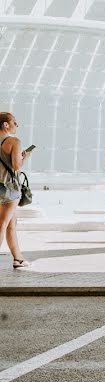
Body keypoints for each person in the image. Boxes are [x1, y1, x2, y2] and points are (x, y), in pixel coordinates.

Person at [0, 112, 31, 269]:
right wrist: (25, 156)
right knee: (3, 224)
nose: (16, 125)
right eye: (14, 122)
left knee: (11, 223)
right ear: (6, 124)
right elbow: (17, 167)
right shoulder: (14, 141)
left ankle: (17, 258)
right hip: (9, 189)